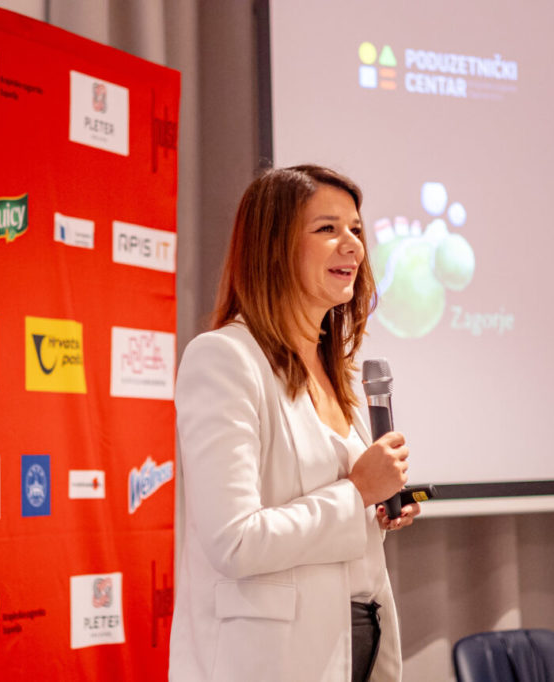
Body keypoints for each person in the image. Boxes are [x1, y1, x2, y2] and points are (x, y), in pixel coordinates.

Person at [169, 165, 420, 681]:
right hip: (267, 662)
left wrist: (375, 508)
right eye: (327, 228)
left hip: (355, 644)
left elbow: (319, 517)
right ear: (274, 248)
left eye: (355, 229)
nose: (352, 245)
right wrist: (357, 492)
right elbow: (235, 541)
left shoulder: (335, 371)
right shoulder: (224, 359)